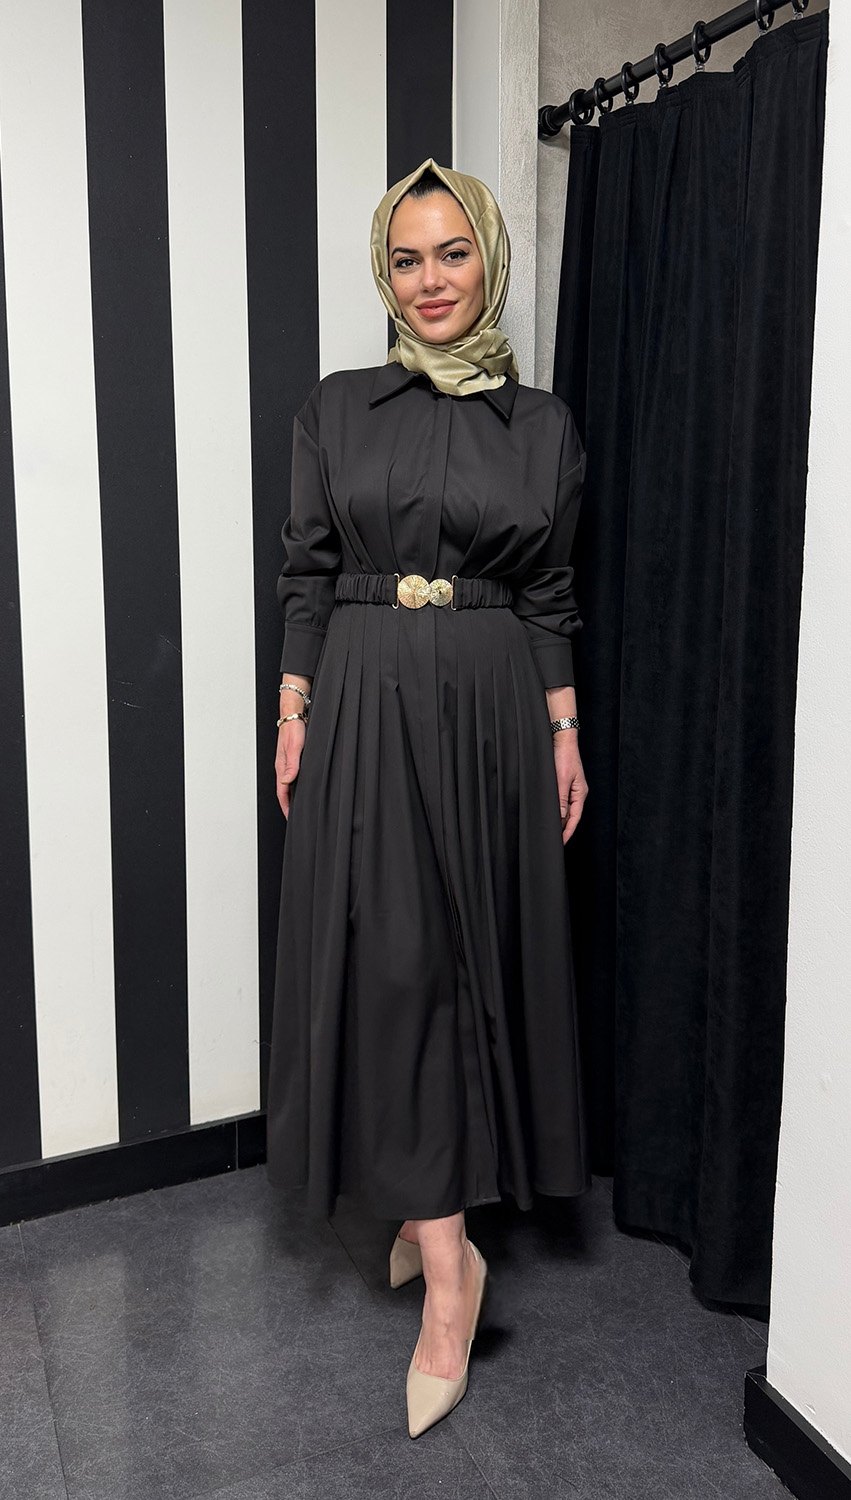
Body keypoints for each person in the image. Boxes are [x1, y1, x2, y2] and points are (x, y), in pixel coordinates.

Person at [265, 157, 591, 1438]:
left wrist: (562, 730)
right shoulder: (334, 409)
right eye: (406, 259)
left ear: (488, 260)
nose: (430, 279)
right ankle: (446, 1248)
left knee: (462, 962)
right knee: (392, 962)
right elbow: (306, 573)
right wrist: (292, 712)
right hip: (360, 697)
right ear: (383, 274)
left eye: (452, 252)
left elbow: (551, 592)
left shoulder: (542, 425)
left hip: (493, 708)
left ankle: (439, 1246)